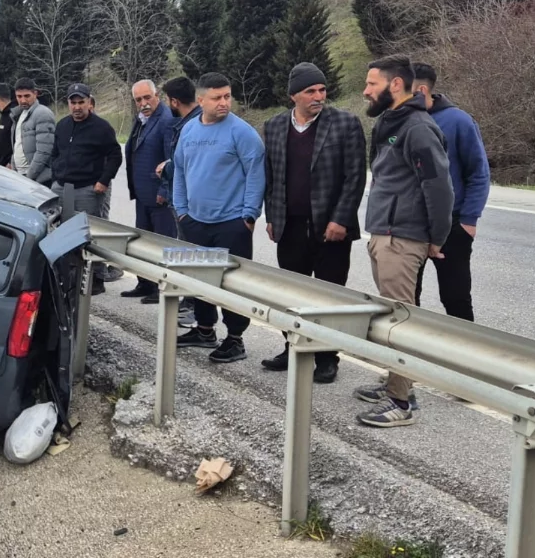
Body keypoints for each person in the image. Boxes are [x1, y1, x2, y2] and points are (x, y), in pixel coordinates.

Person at [354, 55, 453, 428]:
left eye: (372, 84)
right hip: (385, 232)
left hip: (403, 236)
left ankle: (401, 402)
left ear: (395, 84)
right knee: (392, 316)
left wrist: (436, 237)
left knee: (400, 320)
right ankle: (397, 382)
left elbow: (439, 187)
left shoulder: (418, 128)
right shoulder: (390, 121)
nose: (366, 91)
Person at [260, 63, 367, 383]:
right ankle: (293, 348)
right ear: (293, 95)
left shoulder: (345, 123)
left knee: (329, 295)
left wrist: (340, 219)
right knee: (291, 293)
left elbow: (355, 177)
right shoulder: (275, 126)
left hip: (330, 228)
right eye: (310, 91)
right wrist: (272, 217)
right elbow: (271, 177)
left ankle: (327, 357)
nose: (318, 96)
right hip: (289, 225)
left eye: (322, 90)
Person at [172, 73, 266, 364]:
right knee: (200, 278)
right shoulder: (189, 130)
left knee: (233, 283)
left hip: (232, 222)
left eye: (227, 96)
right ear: (201, 100)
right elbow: (179, 170)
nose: (224, 102)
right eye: (217, 97)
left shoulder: (242, 132)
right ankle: (204, 330)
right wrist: (181, 210)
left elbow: (256, 174)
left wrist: (248, 216)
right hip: (195, 220)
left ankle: (235, 338)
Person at [410, 63, 491, 321]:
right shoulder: (400, 120)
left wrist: (468, 220)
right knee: (407, 298)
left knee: (455, 298)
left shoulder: (459, 121)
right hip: (409, 224)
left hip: (452, 225)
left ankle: (465, 346)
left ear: (421, 90)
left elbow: (479, 173)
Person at [50, 83, 122, 294]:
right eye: (73, 103)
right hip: (62, 188)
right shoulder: (62, 125)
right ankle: (69, 277)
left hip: (88, 189)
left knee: (91, 235)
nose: (77, 107)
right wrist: (55, 176)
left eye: (81, 102)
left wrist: (103, 181)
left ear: (90, 102)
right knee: (64, 233)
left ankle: (97, 278)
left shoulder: (101, 128)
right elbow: (55, 153)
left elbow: (115, 156)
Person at [121, 79, 177, 304]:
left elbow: (170, 160)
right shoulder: (141, 119)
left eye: (147, 97)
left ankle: (161, 288)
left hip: (159, 196)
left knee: (162, 243)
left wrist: (164, 189)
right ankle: (145, 283)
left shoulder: (166, 120)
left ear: (157, 96)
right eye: (138, 100)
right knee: (143, 242)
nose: (143, 103)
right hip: (143, 193)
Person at [158, 75, 203, 327]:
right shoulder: (192, 121)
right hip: (185, 199)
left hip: (189, 203)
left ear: (174, 101)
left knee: (190, 254)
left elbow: (188, 163)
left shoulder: (192, 125)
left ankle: (193, 308)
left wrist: (166, 168)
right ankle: (190, 304)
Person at [11, 78, 55, 186]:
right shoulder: (19, 114)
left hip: (39, 179)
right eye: (19, 96)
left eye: (27, 96)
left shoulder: (42, 114)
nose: (23, 100)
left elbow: (44, 151)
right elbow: (18, 143)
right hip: (21, 175)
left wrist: (30, 176)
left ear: (35, 94)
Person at [0, 83, 15, 168]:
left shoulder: (13, 116)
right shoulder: (4, 115)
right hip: (1, 164)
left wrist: (11, 162)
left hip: (9, 166)